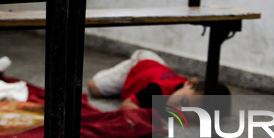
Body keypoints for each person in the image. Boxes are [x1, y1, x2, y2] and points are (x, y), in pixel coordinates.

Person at [87, 49, 230, 115]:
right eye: (184, 103)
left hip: (155, 68)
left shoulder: (188, 92)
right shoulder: (157, 90)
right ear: (189, 83)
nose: (178, 110)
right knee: (94, 87)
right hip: (138, 66)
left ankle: (113, 73)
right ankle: (116, 71)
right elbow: (127, 105)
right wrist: (150, 119)